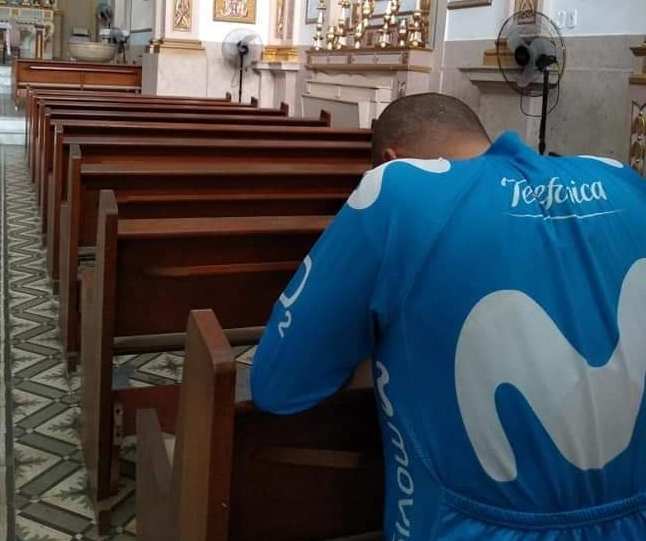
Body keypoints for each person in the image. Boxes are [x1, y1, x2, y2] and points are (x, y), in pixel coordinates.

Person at [252, 93, 646, 541]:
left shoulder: (396, 191)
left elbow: (279, 384)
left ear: (388, 160)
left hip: (471, 528)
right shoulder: (621, 179)